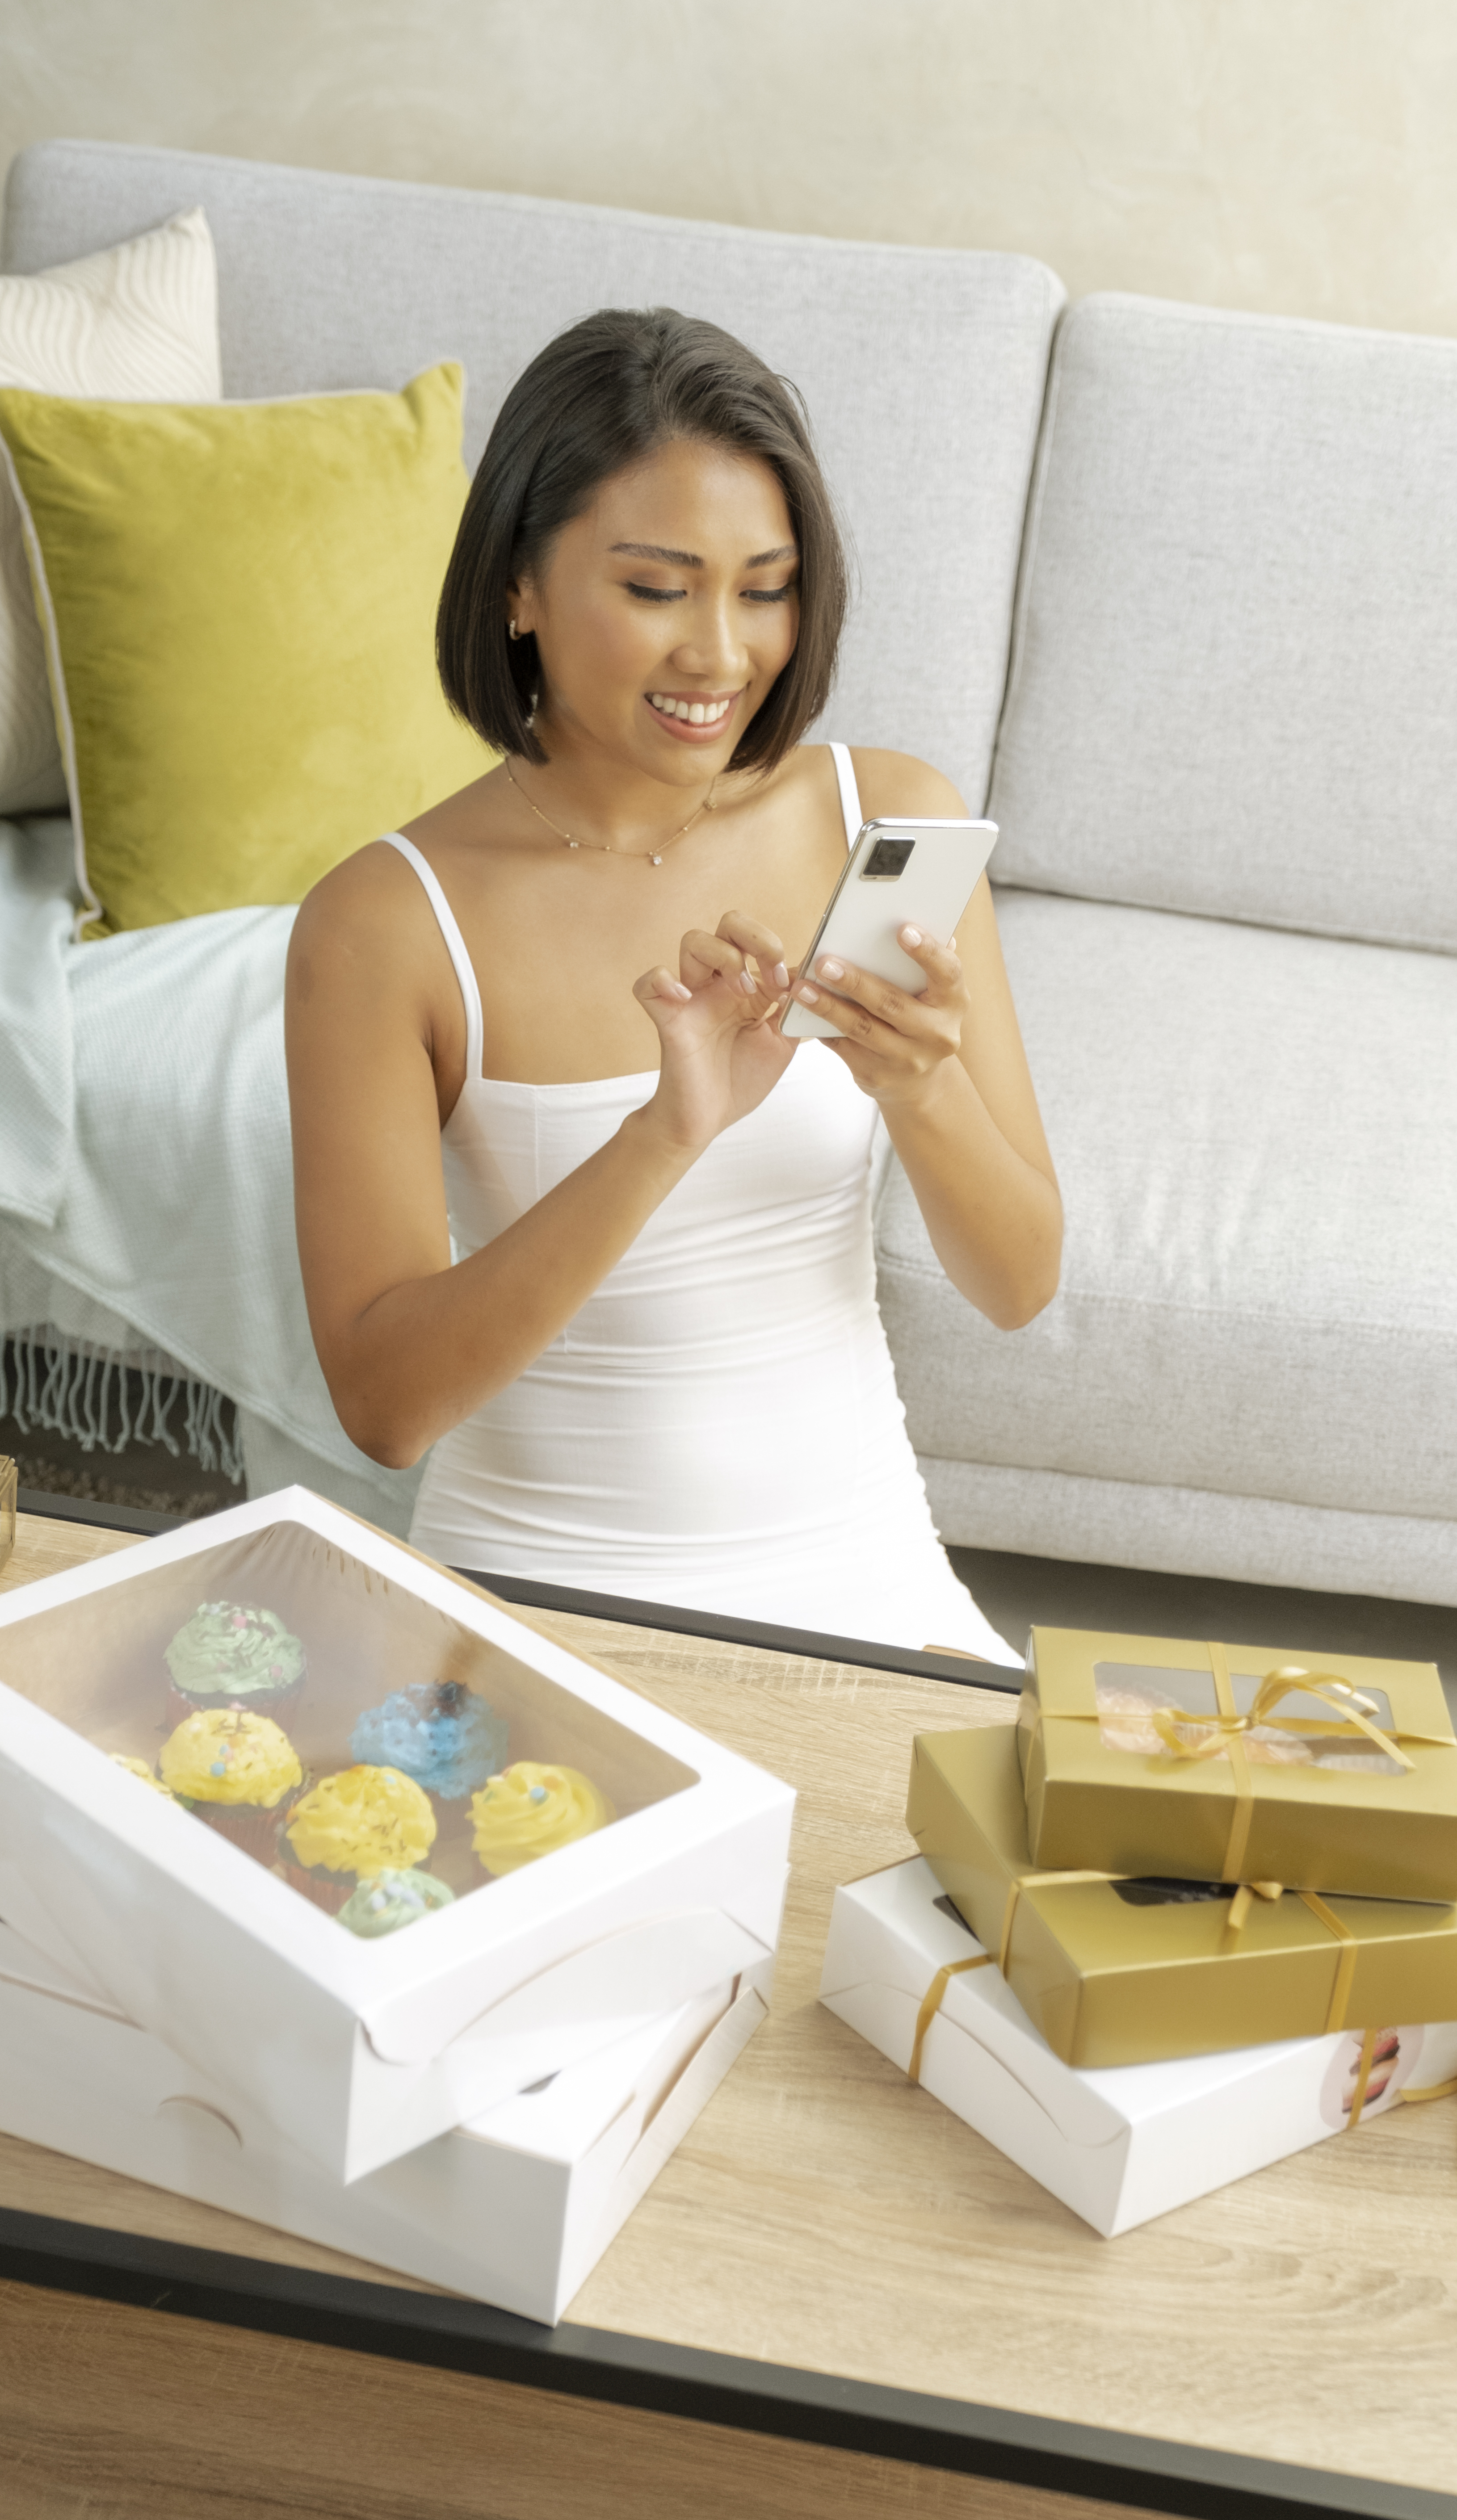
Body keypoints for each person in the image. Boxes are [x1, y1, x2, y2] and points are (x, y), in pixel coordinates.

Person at [286, 307, 1062, 1658]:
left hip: (866, 1578)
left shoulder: (880, 818)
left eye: (764, 588)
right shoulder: (385, 922)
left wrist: (921, 1092)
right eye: (656, 589)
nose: (721, 652)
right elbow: (386, 1405)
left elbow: (1020, 1282)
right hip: (543, 1600)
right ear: (518, 587)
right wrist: (667, 1131)